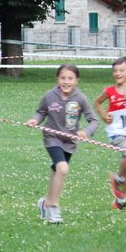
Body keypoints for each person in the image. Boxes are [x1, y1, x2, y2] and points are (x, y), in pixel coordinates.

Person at [26, 64, 99, 224]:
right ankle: (54, 206)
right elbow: (41, 112)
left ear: (77, 80)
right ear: (57, 79)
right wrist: (35, 120)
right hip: (52, 138)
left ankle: (46, 203)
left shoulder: (81, 98)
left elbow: (94, 120)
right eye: (63, 78)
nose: (66, 82)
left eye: (70, 78)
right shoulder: (50, 95)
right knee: (63, 169)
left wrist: (86, 132)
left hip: (69, 142)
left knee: (56, 170)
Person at [94, 56, 126, 210]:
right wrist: (103, 116)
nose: (117, 73)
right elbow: (97, 102)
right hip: (117, 132)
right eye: (115, 71)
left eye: (121, 70)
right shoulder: (110, 91)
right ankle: (117, 179)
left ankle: (121, 200)